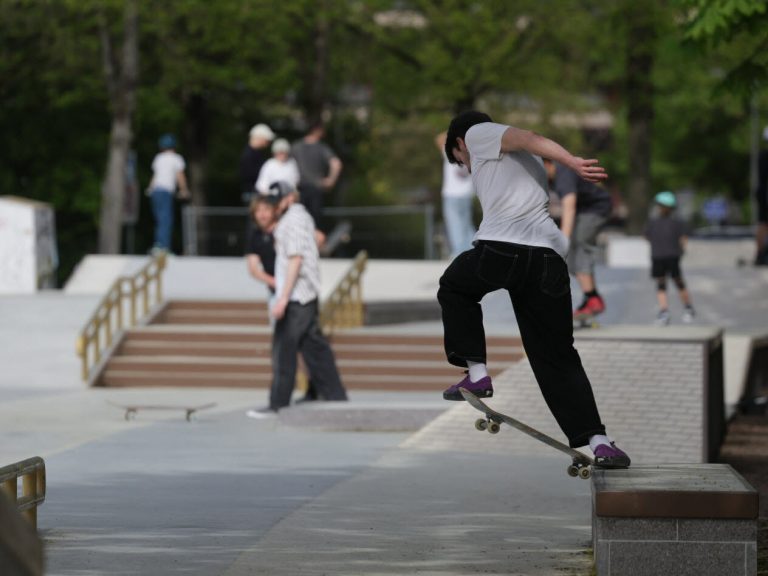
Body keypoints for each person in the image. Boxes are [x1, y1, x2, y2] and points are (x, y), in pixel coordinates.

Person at [437, 110, 630, 468]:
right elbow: (534, 141)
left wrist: (572, 162)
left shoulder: (478, 133)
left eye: (459, 160)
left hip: (503, 249)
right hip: (548, 260)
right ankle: (599, 442)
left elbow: (527, 135)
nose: (466, 168)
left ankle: (477, 375)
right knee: (556, 355)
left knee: (454, 287)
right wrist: (565, 159)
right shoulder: (527, 161)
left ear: (460, 143)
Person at [246, 181, 348, 417]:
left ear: (289, 198)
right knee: (314, 347)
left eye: (277, 201)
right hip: (305, 293)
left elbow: (295, 260)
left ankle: (278, 404)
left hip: (297, 295)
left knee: (284, 348)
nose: (275, 207)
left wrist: (282, 297)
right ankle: (335, 395)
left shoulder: (292, 220)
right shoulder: (299, 217)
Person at [245, 194, 319, 404]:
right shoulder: (256, 235)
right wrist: (278, 284)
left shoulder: (287, 226)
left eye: (266, 210)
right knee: (286, 345)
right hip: (279, 292)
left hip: (295, 293)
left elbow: (314, 241)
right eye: (258, 211)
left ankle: (309, 387)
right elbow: (253, 268)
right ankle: (290, 389)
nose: (262, 215)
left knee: (295, 344)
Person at [543, 158, 612, 319]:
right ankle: (592, 297)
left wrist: (563, 239)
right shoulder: (552, 176)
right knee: (572, 260)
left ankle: (593, 299)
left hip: (596, 209)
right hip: (585, 210)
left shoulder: (562, 173)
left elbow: (569, 206)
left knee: (580, 245)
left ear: (547, 163)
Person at [644, 191, 695, 325]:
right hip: (659, 256)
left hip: (670, 256)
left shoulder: (677, 222)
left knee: (677, 282)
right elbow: (647, 236)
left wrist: (680, 251)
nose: (661, 207)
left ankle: (687, 307)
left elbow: (683, 239)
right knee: (662, 283)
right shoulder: (654, 222)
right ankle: (664, 311)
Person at [291, 122, 342, 228]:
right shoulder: (321, 147)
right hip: (315, 189)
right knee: (315, 225)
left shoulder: (296, 147)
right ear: (317, 131)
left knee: (298, 222)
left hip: (299, 190)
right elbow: (336, 163)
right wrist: (330, 181)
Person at [436, 131, 476, 257]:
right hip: (466, 195)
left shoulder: (451, 152)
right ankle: (473, 251)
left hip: (452, 194)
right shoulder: (473, 154)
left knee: (455, 225)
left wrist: (456, 129)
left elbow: (439, 138)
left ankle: (460, 254)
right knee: (466, 224)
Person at [148, 134, 189, 253]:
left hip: (155, 191)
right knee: (166, 219)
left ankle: (157, 245)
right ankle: (163, 247)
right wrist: (183, 190)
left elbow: (155, 176)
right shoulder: (176, 158)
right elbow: (180, 175)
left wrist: (150, 189)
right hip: (166, 191)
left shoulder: (158, 158)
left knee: (159, 219)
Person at [239, 123, 275, 203]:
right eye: (266, 140)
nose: (268, 142)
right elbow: (249, 176)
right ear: (258, 138)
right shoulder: (249, 155)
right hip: (254, 193)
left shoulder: (256, 154)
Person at [755, 126, 768, 266]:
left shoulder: (762, 155)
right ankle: (761, 254)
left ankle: (760, 254)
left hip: (762, 193)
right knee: (763, 225)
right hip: (765, 194)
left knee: (763, 224)